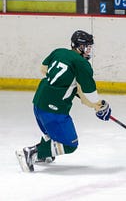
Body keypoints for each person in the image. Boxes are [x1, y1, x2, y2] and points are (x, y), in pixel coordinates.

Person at [15, 30, 112, 172]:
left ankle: (44, 155)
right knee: (70, 144)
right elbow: (89, 94)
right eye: (86, 46)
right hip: (54, 109)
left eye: (90, 46)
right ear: (77, 46)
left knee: (50, 135)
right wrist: (100, 106)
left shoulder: (59, 51)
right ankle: (31, 153)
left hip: (38, 102)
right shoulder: (82, 63)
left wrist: (71, 86)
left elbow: (43, 69)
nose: (89, 50)